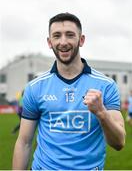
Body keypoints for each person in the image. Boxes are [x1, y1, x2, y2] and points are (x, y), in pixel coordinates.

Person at [12, 12, 126, 170]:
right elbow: (24, 142)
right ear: (49, 42)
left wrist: (101, 113)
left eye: (70, 35)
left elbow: (119, 142)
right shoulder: (35, 87)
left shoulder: (106, 85)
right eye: (57, 36)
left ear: (81, 40)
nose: (63, 42)